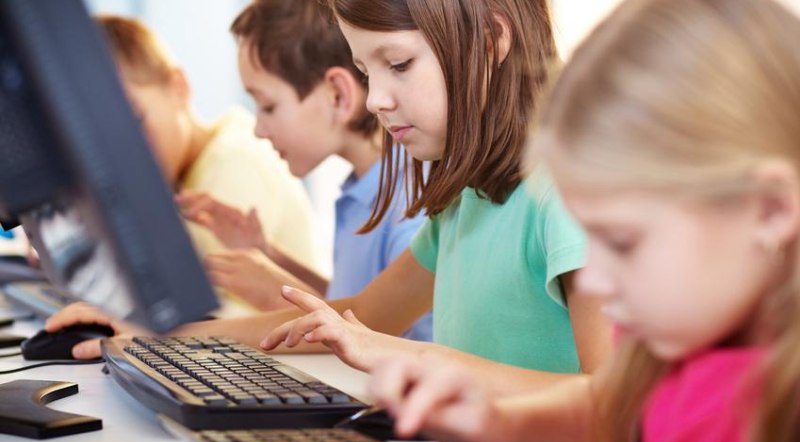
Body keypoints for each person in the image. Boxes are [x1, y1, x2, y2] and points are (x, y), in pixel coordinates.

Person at [46, 0, 609, 395]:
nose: (377, 100)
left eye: (399, 64)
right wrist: (160, 339)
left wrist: (411, 357)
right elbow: (356, 318)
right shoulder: (466, 199)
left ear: (491, 39)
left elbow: (614, 402)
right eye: (368, 71)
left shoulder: (566, 192)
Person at [364, 0, 800, 442]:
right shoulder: (669, 341)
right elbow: (606, 407)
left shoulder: (768, 402)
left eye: (624, 243)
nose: (594, 277)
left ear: (770, 211)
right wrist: (499, 424)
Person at [174, 0, 431, 341]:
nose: (258, 129)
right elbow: (361, 303)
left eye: (268, 106)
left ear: (338, 95)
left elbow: (381, 335)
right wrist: (270, 257)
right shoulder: (361, 187)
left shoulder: (406, 199)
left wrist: (273, 290)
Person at [97, 16, 322, 315]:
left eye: (137, 120)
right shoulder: (187, 171)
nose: (128, 150)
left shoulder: (234, 164)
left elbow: (219, 316)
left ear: (179, 87)